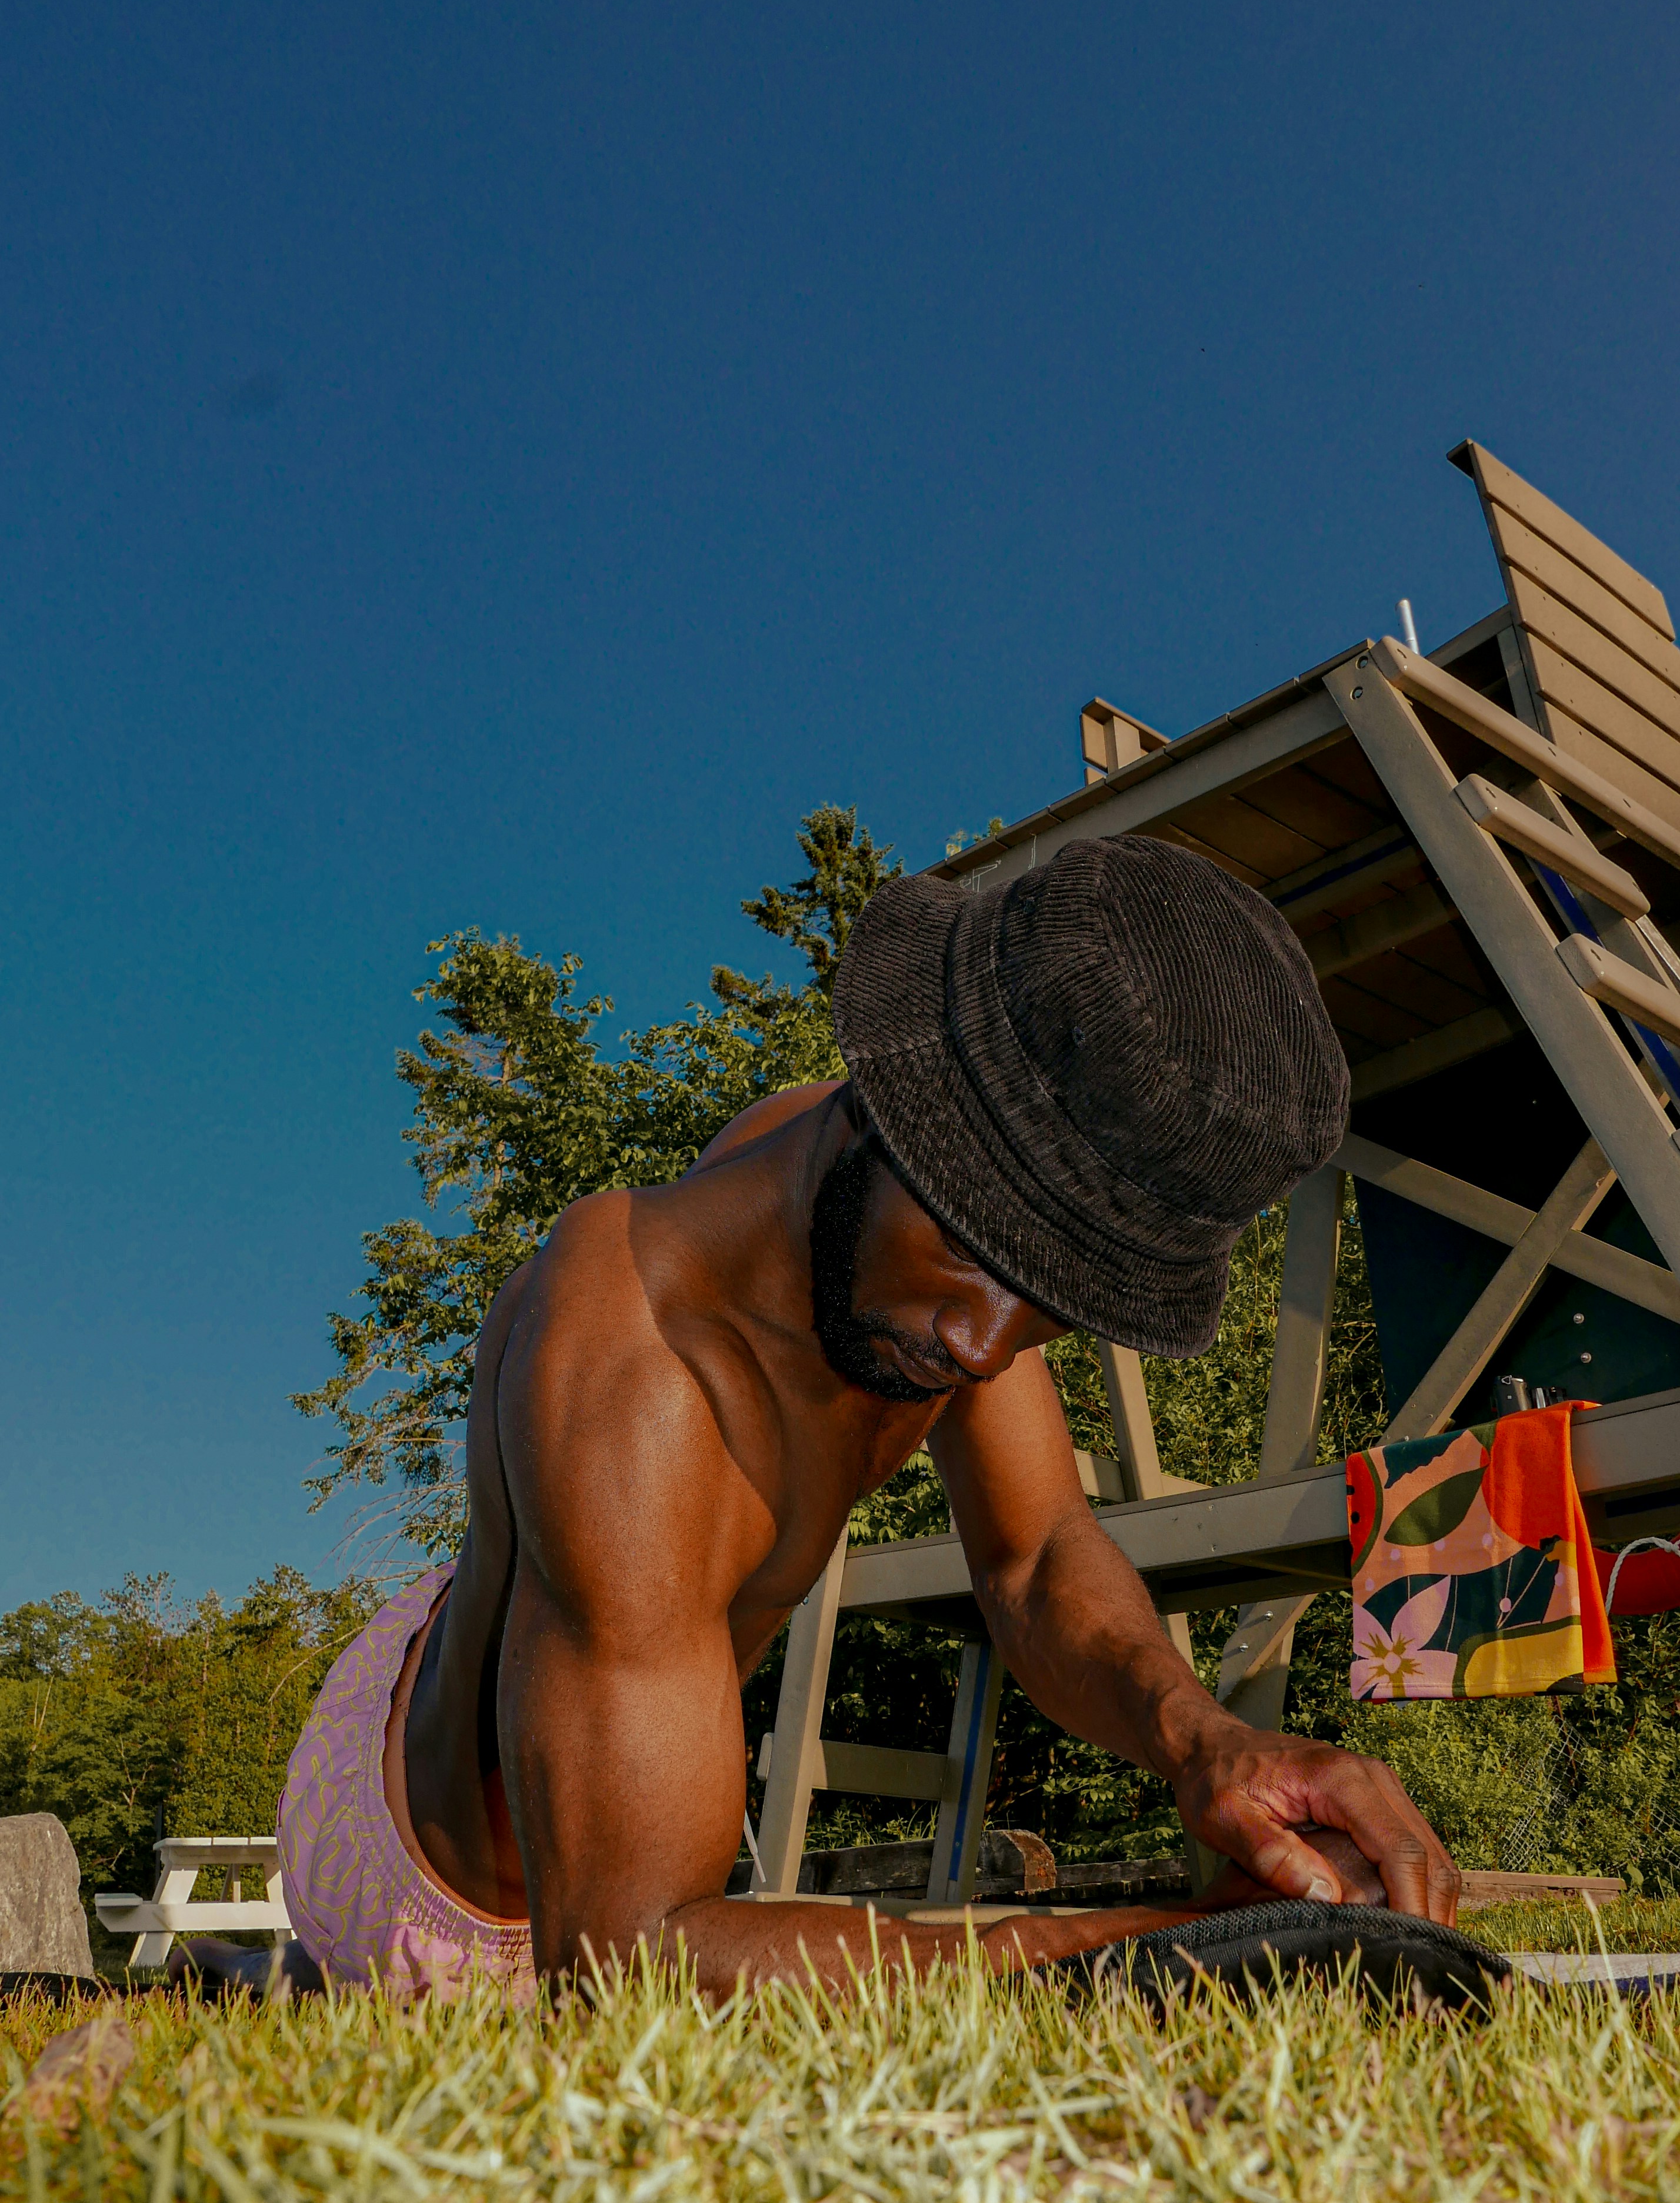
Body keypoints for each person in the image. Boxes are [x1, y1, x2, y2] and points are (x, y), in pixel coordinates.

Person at [182, 835, 1459, 2001]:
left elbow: (1038, 1555)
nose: (984, 1346)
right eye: (975, 1253)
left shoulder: (940, 1234)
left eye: (1054, 1304)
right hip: (441, 1880)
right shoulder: (639, 1363)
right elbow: (619, 1963)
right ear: (883, 1103)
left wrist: (1208, 1743)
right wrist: (1121, 1943)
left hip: (535, 1641)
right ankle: (290, 1966)